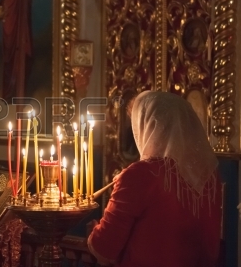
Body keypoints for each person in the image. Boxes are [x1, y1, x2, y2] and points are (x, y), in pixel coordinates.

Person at [88, 91, 222, 267]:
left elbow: (104, 248)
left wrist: (93, 231)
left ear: (147, 126)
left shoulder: (140, 174)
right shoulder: (209, 177)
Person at [0, 0, 34, 101]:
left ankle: (21, 91)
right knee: (10, 52)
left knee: (24, 51)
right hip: (10, 10)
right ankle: (10, 91)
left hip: (22, 11)